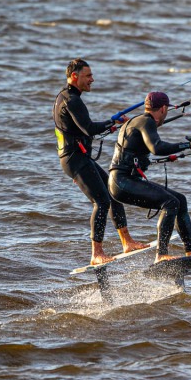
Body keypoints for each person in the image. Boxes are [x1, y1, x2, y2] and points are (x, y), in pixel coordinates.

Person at [53, 58, 146, 265]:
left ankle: (127, 242)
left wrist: (110, 125)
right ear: (75, 76)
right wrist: (112, 122)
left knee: (113, 194)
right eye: (88, 76)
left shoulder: (66, 96)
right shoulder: (71, 100)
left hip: (78, 158)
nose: (92, 80)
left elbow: (80, 129)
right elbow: (88, 128)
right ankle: (96, 253)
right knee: (102, 201)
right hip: (74, 160)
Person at [108, 91, 191, 262]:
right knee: (170, 203)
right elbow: (157, 148)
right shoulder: (147, 122)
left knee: (180, 199)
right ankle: (161, 254)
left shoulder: (136, 120)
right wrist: (187, 145)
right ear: (162, 108)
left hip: (121, 181)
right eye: (166, 109)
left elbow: (137, 152)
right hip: (123, 181)